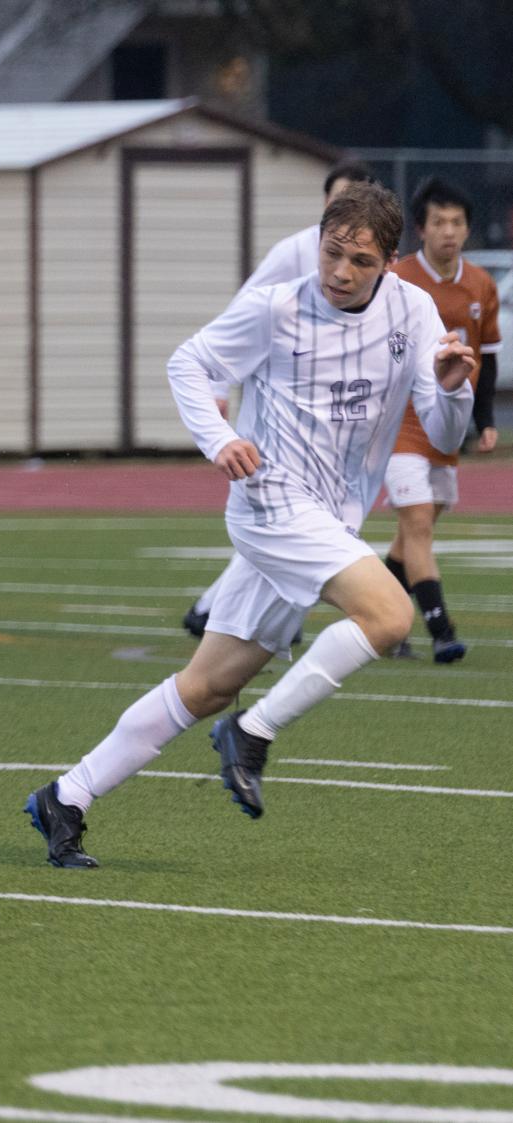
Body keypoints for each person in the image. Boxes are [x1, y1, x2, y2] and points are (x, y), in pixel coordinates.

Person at [27, 183, 475, 869]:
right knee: (388, 616)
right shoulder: (277, 306)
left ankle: (66, 795)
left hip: (327, 517)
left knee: (204, 686)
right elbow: (189, 362)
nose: (339, 271)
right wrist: (217, 438)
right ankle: (253, 732)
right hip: (270, 505)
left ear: (388, 261)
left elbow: (444, 429)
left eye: (358, 260)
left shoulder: (412, 312)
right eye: (331, 252)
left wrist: (449, 386)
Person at [182, 159, 377, 637]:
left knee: (312, 521)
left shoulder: (376, 268)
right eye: (335, 202)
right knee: (282, 515)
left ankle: (217, 613)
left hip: (333, 421)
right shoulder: (296, 251)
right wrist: (213, 392)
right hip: (277, 414)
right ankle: (225, 616)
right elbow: (239, 315)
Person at [380, 176, 499, 663]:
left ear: (467, 230)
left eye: (457, 222)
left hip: (446, 426)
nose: (448, 231)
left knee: (418, 526)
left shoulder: (480, 284)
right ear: (421, 230)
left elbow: (485, 358)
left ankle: (378, 613)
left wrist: (485, 420)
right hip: (400, 423)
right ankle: (441, 630)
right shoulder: (399, 279)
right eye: (438, 222)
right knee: (419, 524)